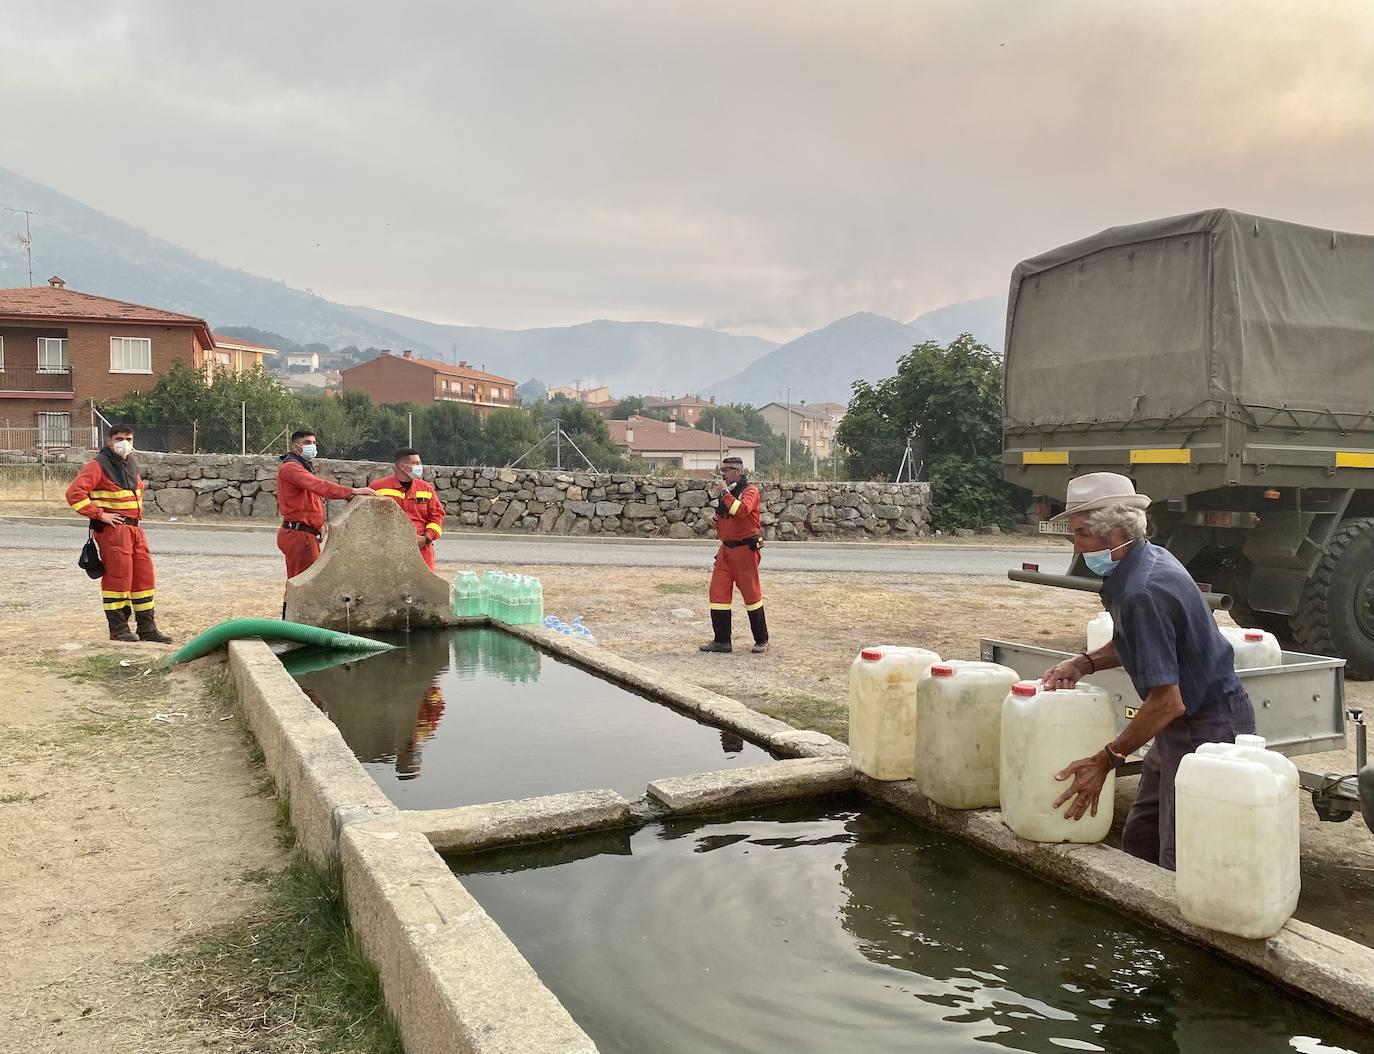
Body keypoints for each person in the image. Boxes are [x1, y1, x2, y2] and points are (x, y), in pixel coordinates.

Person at [1040, 472, 1256, 870]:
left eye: (1082, 534)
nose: (1077, 546)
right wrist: (1085, 662)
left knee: (1182, 855)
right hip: (1181, 727)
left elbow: (1167, 701)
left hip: (1207, 726)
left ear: (1115, 532)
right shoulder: (1147, 559)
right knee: (1141, 837)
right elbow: (1139, 641)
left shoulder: (1142, 590)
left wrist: (1106, 759)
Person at [66, 424, 172, 643]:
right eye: (119, 438)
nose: (124, 442)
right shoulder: (98, 465)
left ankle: (147, 628)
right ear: (109, 441)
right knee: (118, 578)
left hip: (134, 529)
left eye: (129, 439)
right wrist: (100, 515)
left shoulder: (129, 464)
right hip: (114, 531)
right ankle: (118, 629)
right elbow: (74, 493)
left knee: (144, 577)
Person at [276, 429, 375, 583]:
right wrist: (352, 491)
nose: (312, 446)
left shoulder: (301, 467)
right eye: (307, 443)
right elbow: (319, 486)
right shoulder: (291, 468)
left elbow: (311, 499)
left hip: (304, 533)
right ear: (296, 447)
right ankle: (295, 608)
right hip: (300, 535)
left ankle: (293, 607)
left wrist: (319, 525)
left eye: (314, 442)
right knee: (303, 583)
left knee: (302, 580)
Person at [699, 456, 770, 654]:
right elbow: (729, 514)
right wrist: (717, 521)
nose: (724, 473)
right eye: (723, 469)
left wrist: (723, 491)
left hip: (744, 551)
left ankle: (761, 639)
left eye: (728, 469)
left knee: (751, 595)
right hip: (726, 551)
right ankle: (722, 640)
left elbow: (742, 510)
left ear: (739, 471)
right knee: (718, 593)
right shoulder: (729, 492)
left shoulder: (750, 491)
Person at [369, 448, 446, 571]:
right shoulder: (378, 489)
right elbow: (368, 520)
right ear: (402, 466)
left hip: (421, 549)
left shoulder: (425, 489)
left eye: (419, 463)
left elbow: (437, 516)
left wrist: (426, 538)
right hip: (388, 549)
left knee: (423, 587)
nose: (419, 467)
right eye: (415, 463)